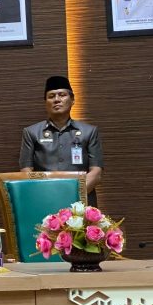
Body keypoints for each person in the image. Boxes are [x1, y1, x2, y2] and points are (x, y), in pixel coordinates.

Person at [19, 75, 103, 206]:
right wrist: (50, 196)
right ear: (45, 103)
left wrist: (70, 197)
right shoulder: (31, 132)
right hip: (44, 200)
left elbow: (96, 173)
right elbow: (25, 171)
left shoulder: (90, 131)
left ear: (73, 100)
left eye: (62, 95)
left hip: (81, 203)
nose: (57, 100)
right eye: (51, 96)